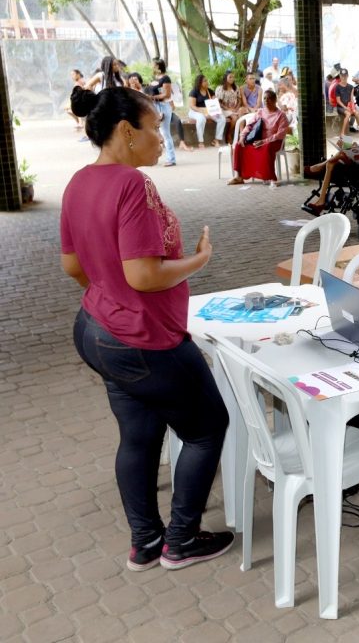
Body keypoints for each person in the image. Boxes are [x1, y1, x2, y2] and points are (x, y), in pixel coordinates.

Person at [60, 85, 233, 571]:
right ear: (125, 131)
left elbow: (73, 264)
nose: (162, 137)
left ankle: (146, 543)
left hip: (96, 329)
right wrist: (198, 259)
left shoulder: (78, 182)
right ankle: (181, 540)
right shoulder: (131, 185)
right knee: (207, 428)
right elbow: (144, 275)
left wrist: (110, 291)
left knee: (138, 436)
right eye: (155, 127)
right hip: (144, 340)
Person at [302, 110, 359, 215]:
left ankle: (318, 167)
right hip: (354, 167)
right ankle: (321, 200)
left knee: (338, 157)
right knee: (331, 162)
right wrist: (352, 148)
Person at [228, 89, 291, 186]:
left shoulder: (281, 115)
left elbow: (280, 135)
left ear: (274, 101)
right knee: (239, 145)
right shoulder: (261, 112)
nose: (266, 101)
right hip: (259, 140)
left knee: (267, 147)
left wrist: (264, 141)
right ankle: (239, 176)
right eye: (264, 98)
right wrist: (242, 136)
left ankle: (271, 178)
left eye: (269, 99)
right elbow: (249, 125)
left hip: (274, 142)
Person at [145, 58, 177, 167]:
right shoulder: (153, 78)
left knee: (165, 133)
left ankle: (171, 159)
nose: (152, 66)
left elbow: (166, 95)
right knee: (155, 132)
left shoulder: (165, 78)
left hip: (163, 106)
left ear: (158, 66)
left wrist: (152, 97)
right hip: (153, 106)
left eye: (153, 65)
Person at [187, 74, 226, 148]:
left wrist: (216, 109)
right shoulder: (194, 91)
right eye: (205, 81)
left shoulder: (210, 91)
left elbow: (215, 102)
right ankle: (200, 142)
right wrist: (203, 112)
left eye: (207, 80)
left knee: (221, 118)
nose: (207, 82)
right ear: (200, 83)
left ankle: (216, 140)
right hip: (195, 111)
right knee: (201, 118)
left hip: (208, 111)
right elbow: (192, 106)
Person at [215, 71, 242, 144]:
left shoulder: (236, 87)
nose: (232, 79)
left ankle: (241, 136)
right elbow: (218, 102)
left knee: (241, 115)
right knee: (234, 117)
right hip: (224, 109)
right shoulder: (220, 88)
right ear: (225, 78)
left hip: (235, 108)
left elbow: (239, 100)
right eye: (230, 77)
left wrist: (236, 108)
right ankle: (229, 134)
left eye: (233, 77)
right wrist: (229, 109)